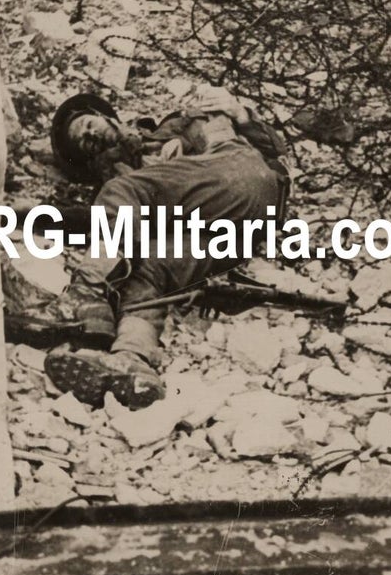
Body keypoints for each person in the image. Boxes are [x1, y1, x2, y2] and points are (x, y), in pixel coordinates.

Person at [31, 85, 291, 410]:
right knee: (149, 267)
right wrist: (27, 216)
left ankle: (85, 295)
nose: (91, 136)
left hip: (241, 175)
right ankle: (132, 360)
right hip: (234, 238)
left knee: (122, 191)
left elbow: (275, 150)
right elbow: (100, 220)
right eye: (85, 143)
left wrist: (241, 114)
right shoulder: (125, 182)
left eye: (87, 125)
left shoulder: (170, 131)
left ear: (102, 115)